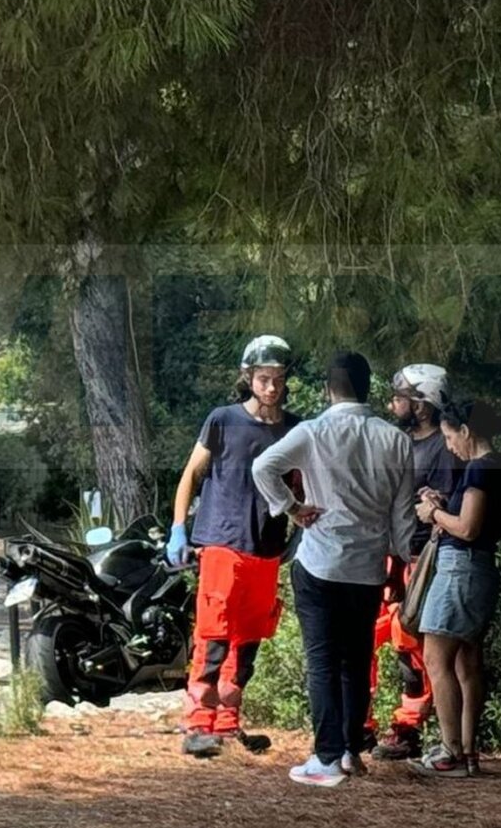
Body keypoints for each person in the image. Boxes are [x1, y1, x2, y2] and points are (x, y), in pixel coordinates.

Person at [252, 351, 418, 787]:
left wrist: (292, 508)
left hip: (321, 562)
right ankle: (349, 751)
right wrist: (403, 559)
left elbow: (263, 466)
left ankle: (326, 756)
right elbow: (402, 518)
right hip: (368, 567)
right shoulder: (395, 440)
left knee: (323, 660)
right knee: (356, 659)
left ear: (329, 389)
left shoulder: (313, 431)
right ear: (369, 389)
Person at [168, 335, 304, 757]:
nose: (272, 388)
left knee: (249, 638)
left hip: (266, 546)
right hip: (222, 539)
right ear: (248, 377)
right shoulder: (223, 420)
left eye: (279, 380)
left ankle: (227, 723)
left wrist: (298, 533)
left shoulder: (295, 428)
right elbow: (191, 473)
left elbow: (301, 484)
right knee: (214, 633)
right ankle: (197, 724)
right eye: (264, 379)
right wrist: (178, 527)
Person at [412, 398, 501, 779]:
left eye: (448, 435)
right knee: (468, 662)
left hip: (461, 570)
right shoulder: (499, 466)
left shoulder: (478, 468)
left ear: (466, 432)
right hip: (481, 570)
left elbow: (469, 528)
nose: (448, 444)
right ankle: (469, 752)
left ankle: (450, 752)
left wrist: (433, 514)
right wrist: (445, 505)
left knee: (436, 658)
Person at [367, 363, 462, 760]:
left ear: (423, 404)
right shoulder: (396, 441)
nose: (394, 403)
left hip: (422, 557)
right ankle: (359, 724)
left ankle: (408, 728)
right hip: (386, 553)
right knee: (370, 637)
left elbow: (444, 503)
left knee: (413, 647)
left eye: (402, 396)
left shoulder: (443, 448)